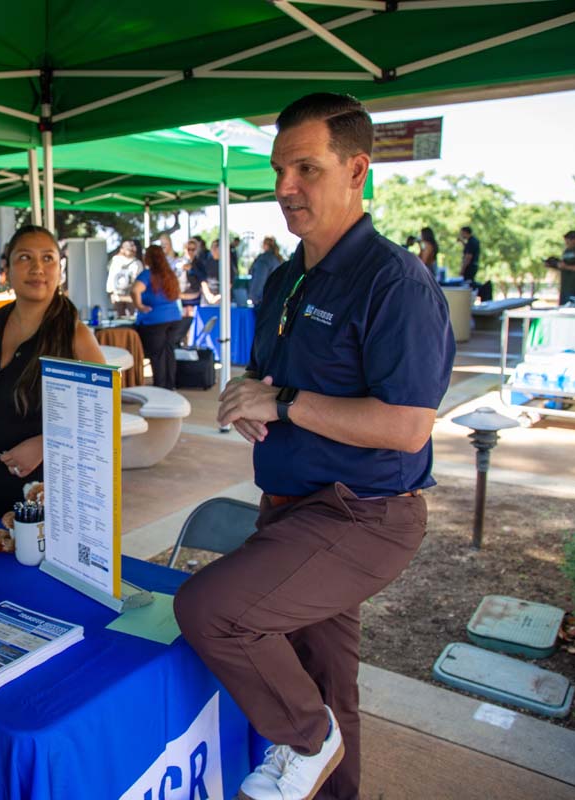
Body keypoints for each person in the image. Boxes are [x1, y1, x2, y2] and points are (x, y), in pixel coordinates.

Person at [174, 93, 454, 800]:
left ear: (357, 168)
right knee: (329, 681)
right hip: (292, 508)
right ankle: (327, 763)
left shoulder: (395, 283)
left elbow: (407, 426)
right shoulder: (286, 276)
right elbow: (279, 378)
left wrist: (288, 403)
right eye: (277, 170)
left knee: (212, 611)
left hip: (362, 516)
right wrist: (252, 396)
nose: (284, 188)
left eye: (306, 168)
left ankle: (306, 737)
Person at [0, 225, 104, 517]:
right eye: (25, 258)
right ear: (6, 268)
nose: (37, 268)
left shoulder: (76, 337)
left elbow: (104, 417)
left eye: (48, 259)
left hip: (50, 513)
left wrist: (48, 445)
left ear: (60, 268)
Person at [132, 245, 184, 390]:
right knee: (168, 352)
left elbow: (135, 290)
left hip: (154, 320)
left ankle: (160, 388)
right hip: (174, 318)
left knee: (157, 355)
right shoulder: (170, 275)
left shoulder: (147, 275)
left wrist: (140, 306)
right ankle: (170, 385)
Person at [545, 230, 575, 305]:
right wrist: (554, 265)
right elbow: (564, 265)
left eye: (568, 241)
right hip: (565, 286)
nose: (566, 243)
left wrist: (567, 267)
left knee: (572, 308)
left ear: (574, 240)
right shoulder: (567, 250)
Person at [105, 239, 142, 317]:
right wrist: (111, 292)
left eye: (132, 246)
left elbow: (140, 281)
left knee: (132, 317)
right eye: (128, 246)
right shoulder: (116, 261)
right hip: (118, 294)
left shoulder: (137, 263)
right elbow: (111, 277)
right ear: (122, 249)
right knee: (119, 317)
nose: (130, 248)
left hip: (131, 296)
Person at [248, 237, 283, 307]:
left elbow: (259, 279)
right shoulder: (278, 259)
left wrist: (254, 298)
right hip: (276, 299)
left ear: (265, 245)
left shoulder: (264, 259)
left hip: (263, 300)